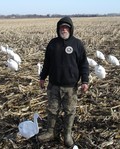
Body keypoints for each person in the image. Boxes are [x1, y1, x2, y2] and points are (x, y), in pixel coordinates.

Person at [38, 16, 89, 147]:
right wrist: (42, 77)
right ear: (58, 29)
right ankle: (51, 132)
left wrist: (85, 81)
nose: (64, 30)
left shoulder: (77, 44)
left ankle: (67, 135)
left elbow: (84, 64)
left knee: (70, 111)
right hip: (54, 85)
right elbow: (47, 63)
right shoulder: (53, 44)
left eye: (66, 27)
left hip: (70, 87)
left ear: (71, 29)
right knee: (52, 110)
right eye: (62, 27)